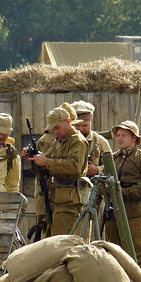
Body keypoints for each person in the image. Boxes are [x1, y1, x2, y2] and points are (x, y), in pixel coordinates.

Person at [102, 120, 141, 273]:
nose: (119, 138)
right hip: (113, 213)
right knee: (113, 254)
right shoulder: (112, 158)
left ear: (134, 138)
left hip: (134, 213)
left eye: (124, 135)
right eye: (118, 135)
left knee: (136, 254)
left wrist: (122, 194)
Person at [26, 102, 89, 237]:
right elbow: (45, 168)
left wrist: (46, 162)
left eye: (58, 127)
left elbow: (74, 167)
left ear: (68, 122)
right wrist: (34, 159)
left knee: (64, 245)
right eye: (53, 129)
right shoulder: (58, 142)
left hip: (69, 203)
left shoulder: (77, 141)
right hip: (56, 199)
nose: (55, 131)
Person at [71, 101, 111, 178]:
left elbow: (111, 167)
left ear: (91, 121)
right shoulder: (63, 141)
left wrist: (97, 170)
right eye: (77, 126)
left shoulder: (101, 142)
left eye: (85, 125)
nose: (81, 129)